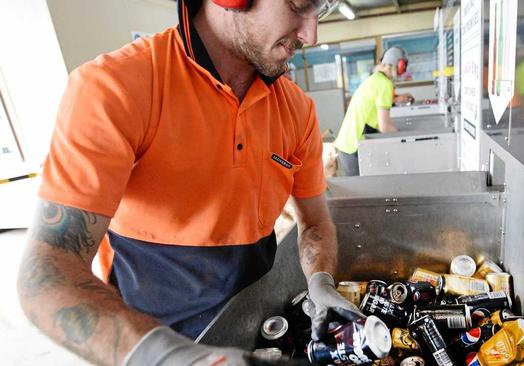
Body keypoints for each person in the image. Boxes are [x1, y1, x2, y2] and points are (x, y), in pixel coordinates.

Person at [16, 0, 364, 365]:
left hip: (259, 333)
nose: (311, 34)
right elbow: (46, 271)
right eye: (299, 6)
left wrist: (320, 280)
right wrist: (170, 357)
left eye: (319, 12)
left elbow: (315, 221)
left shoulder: (297, 111)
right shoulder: (117, 88)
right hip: (150, 342)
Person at [333, 46, 414, 176]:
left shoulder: (376, 78)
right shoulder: (385, 84)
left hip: (348, 142)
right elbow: (385, 126)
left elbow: (375, 104)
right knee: (362, 191)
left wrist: (396, 100)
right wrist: (407, 139)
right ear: (399, 65)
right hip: (353, 146)